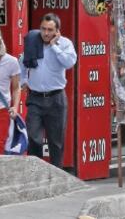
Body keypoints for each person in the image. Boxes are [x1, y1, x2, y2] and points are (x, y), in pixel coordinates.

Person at [19, 14, 77, 169]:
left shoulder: (65, 44)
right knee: (33, 137)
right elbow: (22, 62)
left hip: (56, 98)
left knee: (56, 142)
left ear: (57, 31)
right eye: (43, 29)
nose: (45, 33)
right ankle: (36, 172)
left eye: (50, 30)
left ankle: (56, 173)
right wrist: (23, 80)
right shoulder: (33, 41)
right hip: (35, 98)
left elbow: (69, 63)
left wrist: (54, 46)